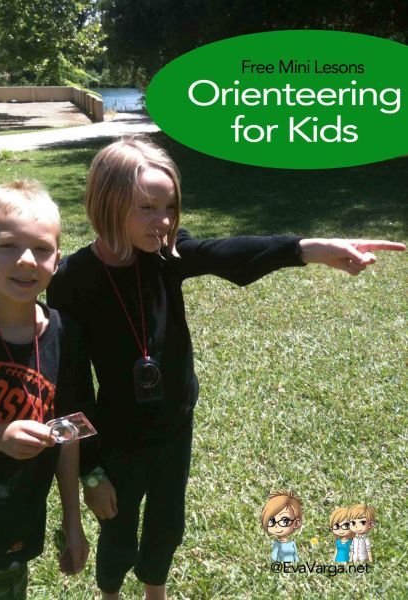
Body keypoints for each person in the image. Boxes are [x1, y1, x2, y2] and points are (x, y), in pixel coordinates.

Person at [46, 137, 405, 600]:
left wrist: (307, 249)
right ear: (108, 203)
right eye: (147, 208)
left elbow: (226, 252)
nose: (164, 221)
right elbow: (71, 390)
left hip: (175, 424)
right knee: (118, 530)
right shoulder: (73, 281)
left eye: (170, 207)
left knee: (166, 528)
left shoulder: (165, 255)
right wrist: (91, 474)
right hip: (118, 436)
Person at [0, 181, 95, 600]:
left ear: (57, 259)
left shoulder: (66, 335)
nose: (25, 260)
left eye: (41, 248)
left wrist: (72, 524)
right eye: (7, 246)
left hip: (9, 531)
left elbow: (68, 434)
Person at [261, 490, 302, 562]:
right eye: (272, 521)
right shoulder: (277, 544)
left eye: (285, 521)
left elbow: (295, 555)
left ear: (296, 523)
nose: (276, 526)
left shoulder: (292, 543)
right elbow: (274, 556)